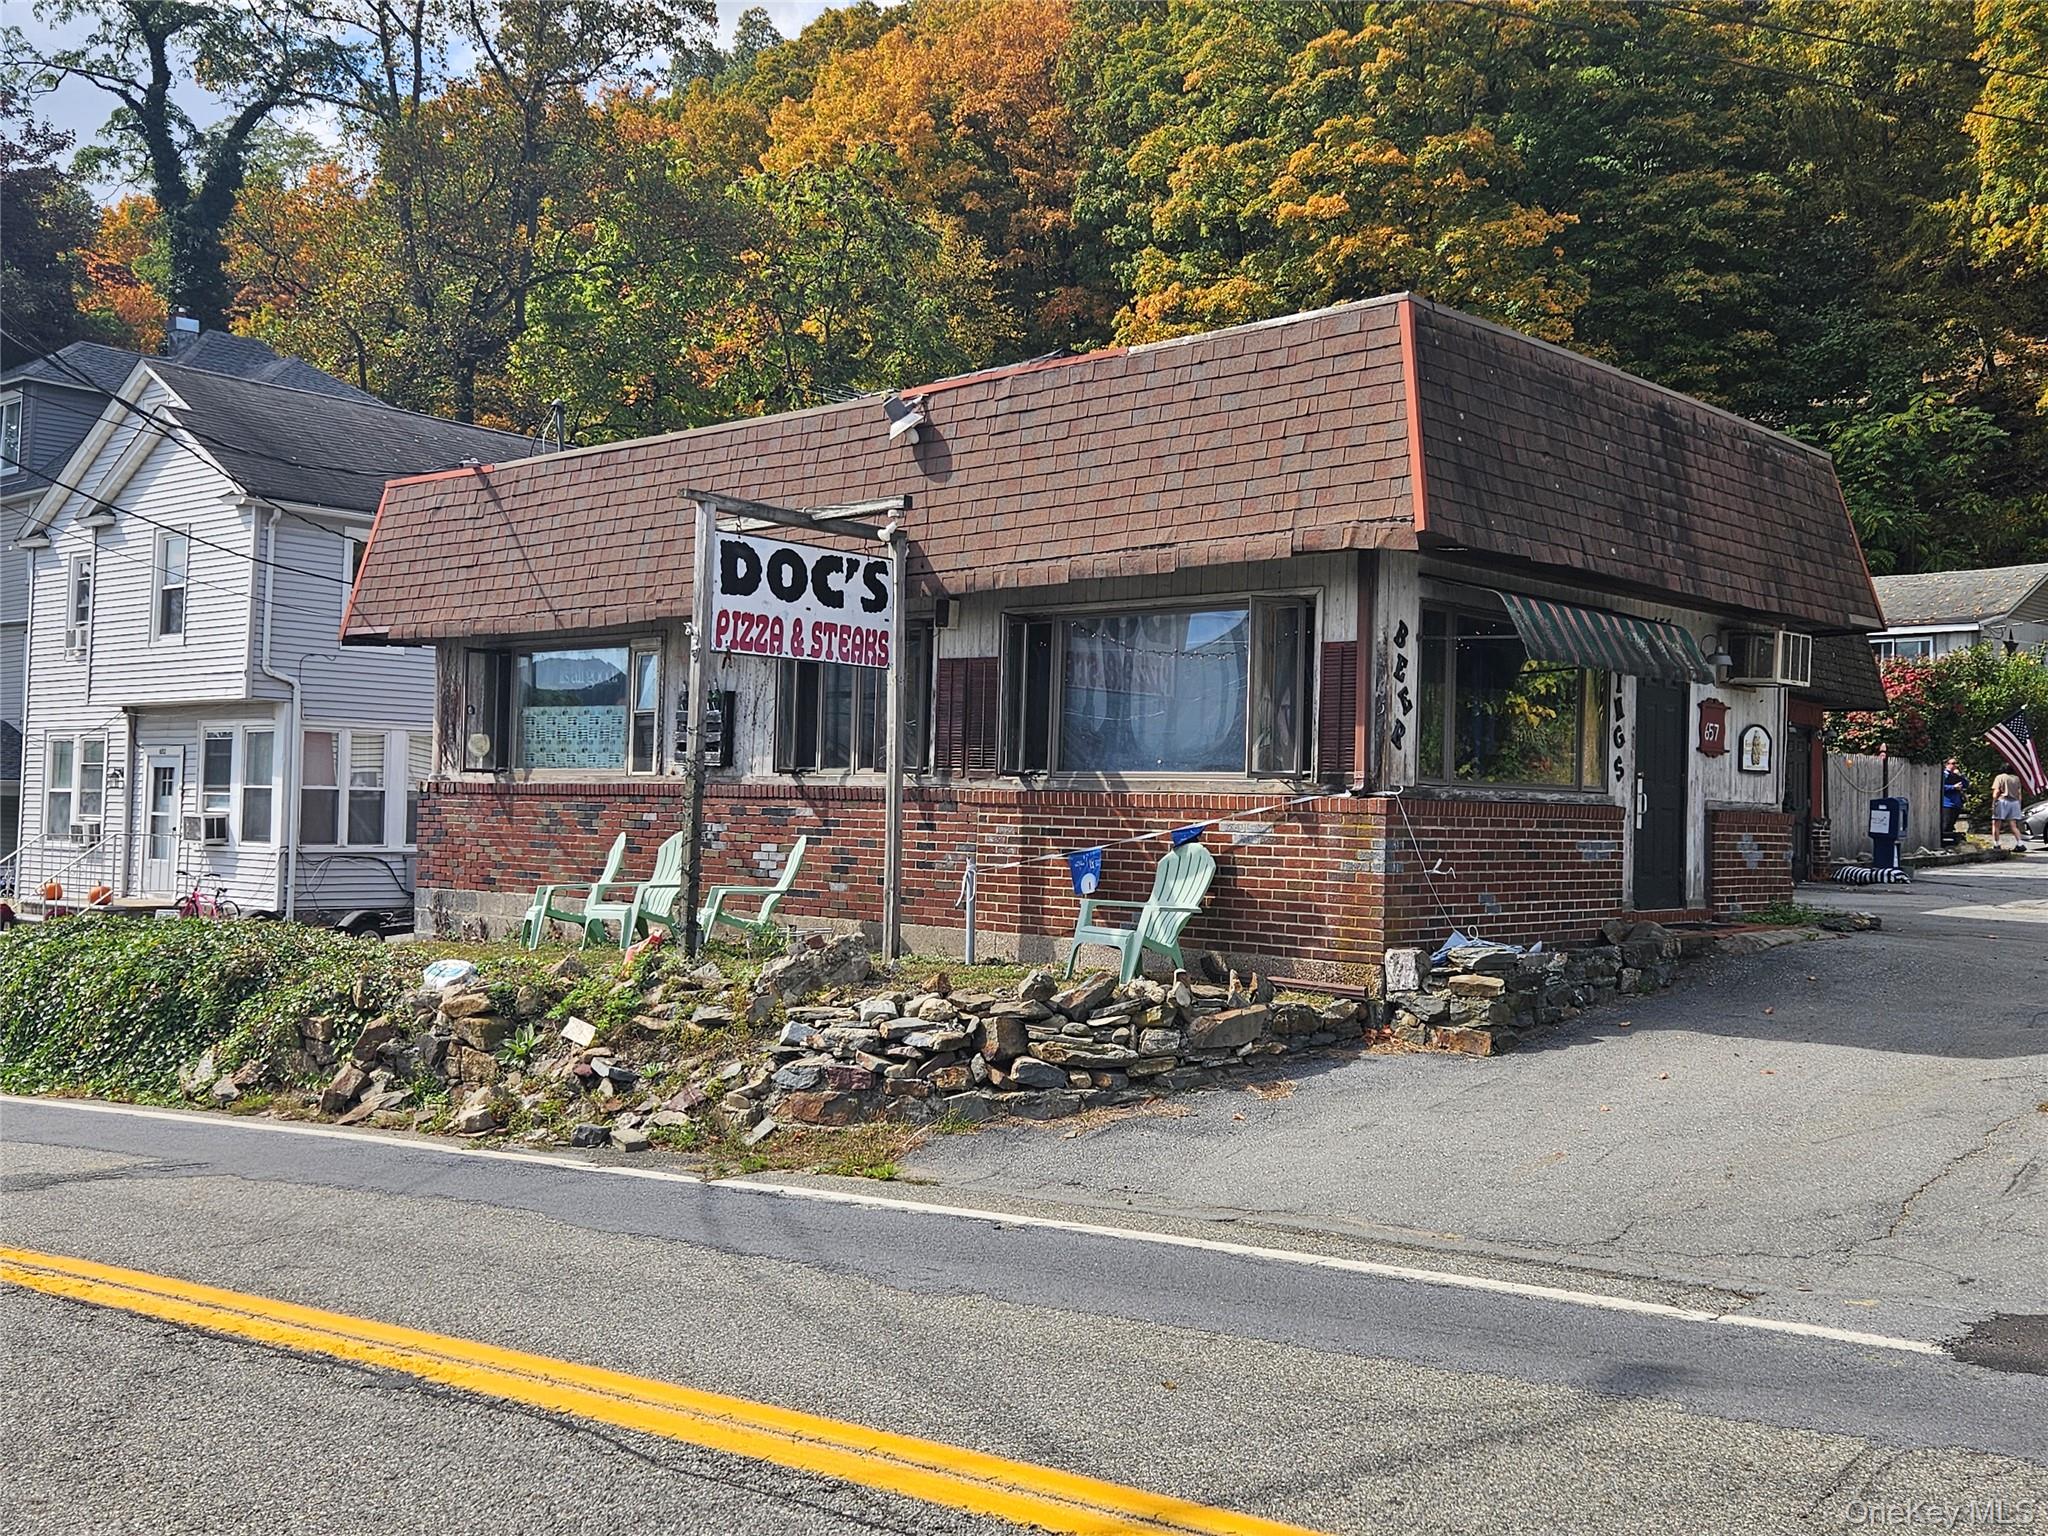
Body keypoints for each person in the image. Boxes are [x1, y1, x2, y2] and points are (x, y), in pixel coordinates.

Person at [1990, 768, 2029, 853]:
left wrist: (1994, 802)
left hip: (2002, 801)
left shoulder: (2000, 777)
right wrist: (2019, 804)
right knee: (2013, 824)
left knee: (1996, 823)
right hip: (2014, 802)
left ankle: (1996, 844)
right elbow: (2019, 793)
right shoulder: (2016, 778)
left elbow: (1996, 791)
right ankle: (2020, 844)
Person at [1942, 759, 1969, 846]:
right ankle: (1944, 843)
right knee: (1946, 824)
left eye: (1956, 763)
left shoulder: (1956, 775)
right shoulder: (1944, 775)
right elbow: (1941, 787)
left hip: (1956, 803)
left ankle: (1950, 844)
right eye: (1953, 763)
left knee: (1952, 824)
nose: (1955, 765)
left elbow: (1966, 784)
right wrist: (1953, 787)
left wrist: (1960, 775)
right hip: (1947, 803)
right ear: (1947, 764)